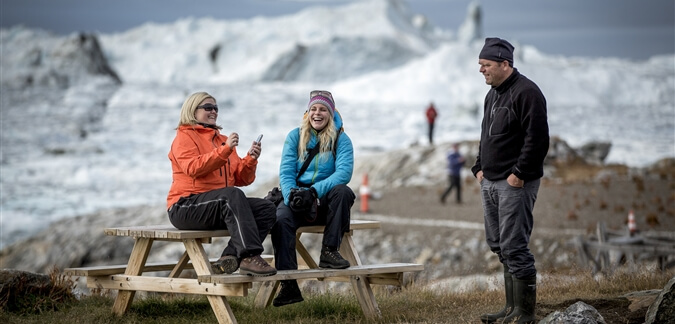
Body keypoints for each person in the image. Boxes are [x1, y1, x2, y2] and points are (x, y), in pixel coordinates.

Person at [471, 38, 549, 324]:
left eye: (486, 64)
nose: (481, 70)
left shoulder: (527, 92)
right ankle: (510, 309)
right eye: (480, 64)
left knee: (514, 245)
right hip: (490, 182)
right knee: (499, 244)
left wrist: (519, 174)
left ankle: (525, 314)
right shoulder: (492, 94)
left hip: (515, 183)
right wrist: (478, 168)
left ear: (505, 64)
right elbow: (485, 135)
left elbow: (538, 139)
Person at [166, 91, 277, 277]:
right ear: (192, 110)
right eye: (208, 107)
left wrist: (250, 159)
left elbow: (241, 179)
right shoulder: (184, 137)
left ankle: (230, 256)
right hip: (185, 206)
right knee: (231, 195)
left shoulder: (222, 140)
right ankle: (249, 256)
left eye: (216, 108)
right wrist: (225, 151)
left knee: (266, 208)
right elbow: (193, 168)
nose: (214, 111)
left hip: (218, 205)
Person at [271, 90, 355, 307]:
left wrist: (314, 192)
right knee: (281, 220)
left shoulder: (341, 139)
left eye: (323, 109)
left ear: (331, 113)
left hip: (324, 199)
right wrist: (292, 196)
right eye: (313, 109)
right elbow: (286, 172)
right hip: (298, 196)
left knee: (344, 192)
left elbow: (343, 174)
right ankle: (288, 285)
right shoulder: (294, 136)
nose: (317, 113)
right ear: (307, 112)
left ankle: (329, 252)